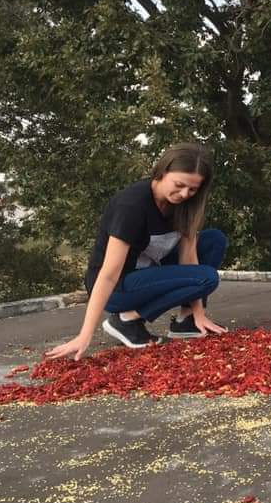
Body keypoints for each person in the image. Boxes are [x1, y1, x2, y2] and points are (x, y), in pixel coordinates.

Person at [45, 143, 228, 361]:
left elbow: (189, 258)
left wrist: (198, 312)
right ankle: (125, 319)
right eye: (179, 185)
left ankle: (185, 322)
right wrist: (85, 335)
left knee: (213, 240)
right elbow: (109, 273)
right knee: (206, 277)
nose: (184, 194)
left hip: (151, 273)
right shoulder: (132, 205)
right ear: (162, 171)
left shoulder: (187, 205)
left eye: (193, 189)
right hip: (118, 287)